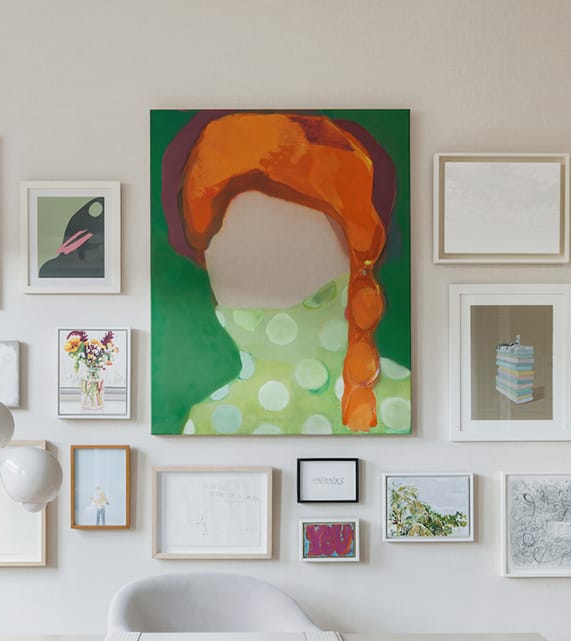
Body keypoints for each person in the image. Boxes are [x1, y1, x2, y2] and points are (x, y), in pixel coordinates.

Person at [159, 111, 410, 435]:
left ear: (354, 256)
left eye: (294, 250)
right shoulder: (206, 421)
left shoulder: (402, 403)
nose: (265, 278)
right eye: (237, 256)